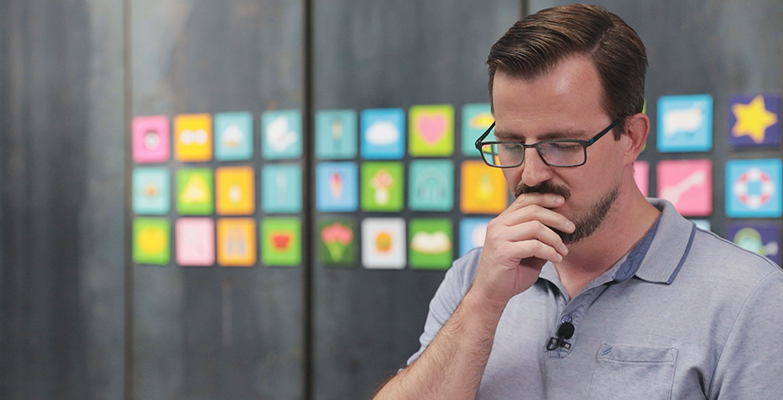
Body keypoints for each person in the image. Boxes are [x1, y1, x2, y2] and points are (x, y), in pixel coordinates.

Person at [373, 4, 783, 399]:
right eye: (512, 144)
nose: (530, 174)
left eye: (563, 144)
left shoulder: (748, 298)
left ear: (632, 138)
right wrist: (482, 305)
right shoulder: (474, 278)